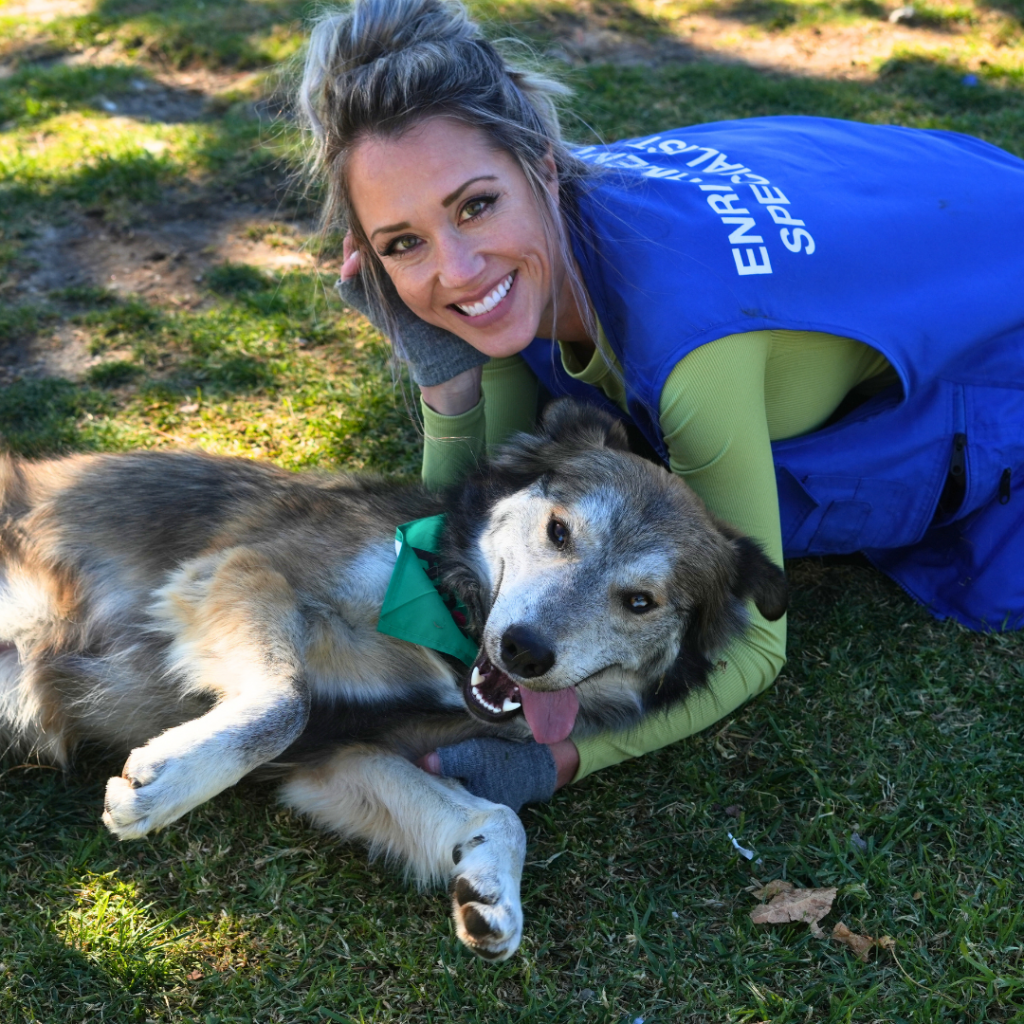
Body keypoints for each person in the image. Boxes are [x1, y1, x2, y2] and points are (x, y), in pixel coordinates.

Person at [298, 0, 1024, 811]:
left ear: (541, 163)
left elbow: (753, 650)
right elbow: (462, 531)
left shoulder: (695, 363)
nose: (460, 271)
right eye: (404, 244)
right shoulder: (527, 261)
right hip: (919, 196)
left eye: (474, 205)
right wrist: (447, 376)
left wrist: (557, 763)